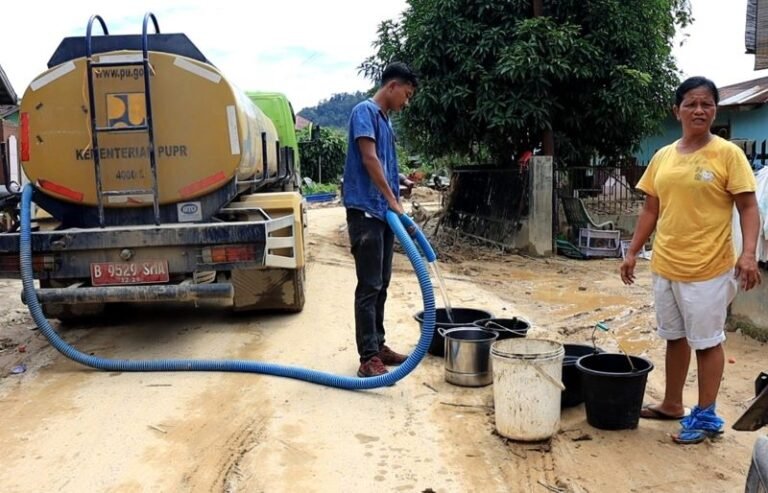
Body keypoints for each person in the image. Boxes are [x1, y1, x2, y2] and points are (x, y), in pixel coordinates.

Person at [620, 76, 761, 444]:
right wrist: (633, 251)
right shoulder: (663, 156)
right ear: (677, 110)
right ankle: (671, 404)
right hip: (666, 264)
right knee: (675, 338)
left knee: (708, 342)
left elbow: (748, 207)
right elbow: (651, 209)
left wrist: (748, 254)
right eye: (691, 104)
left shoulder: (728, 154)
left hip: (709, 268)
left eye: (707, 104)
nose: (699, 110)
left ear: (715, 110)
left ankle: (706, 415)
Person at [342, 62, 418, 377]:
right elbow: (369, 158)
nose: (406, 102)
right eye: (407, 94)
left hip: (384, 214)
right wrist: (391, 200)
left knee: (382, 283)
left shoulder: (386, 123)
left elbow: (385, 166)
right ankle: (367, 358)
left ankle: (379, 344)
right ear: (392, 86)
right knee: (369, 285)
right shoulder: (365, 112)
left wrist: (398, 193)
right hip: (366, 212)